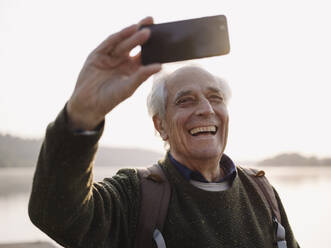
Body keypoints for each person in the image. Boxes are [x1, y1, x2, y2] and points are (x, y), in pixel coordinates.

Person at [28, 17, 300, 248]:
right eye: (186, 100)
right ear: (161, 125)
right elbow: (57, 216)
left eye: (215, 98)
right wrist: (82, 115)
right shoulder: (135, 195)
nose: (206, 109)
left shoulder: (263, 191)